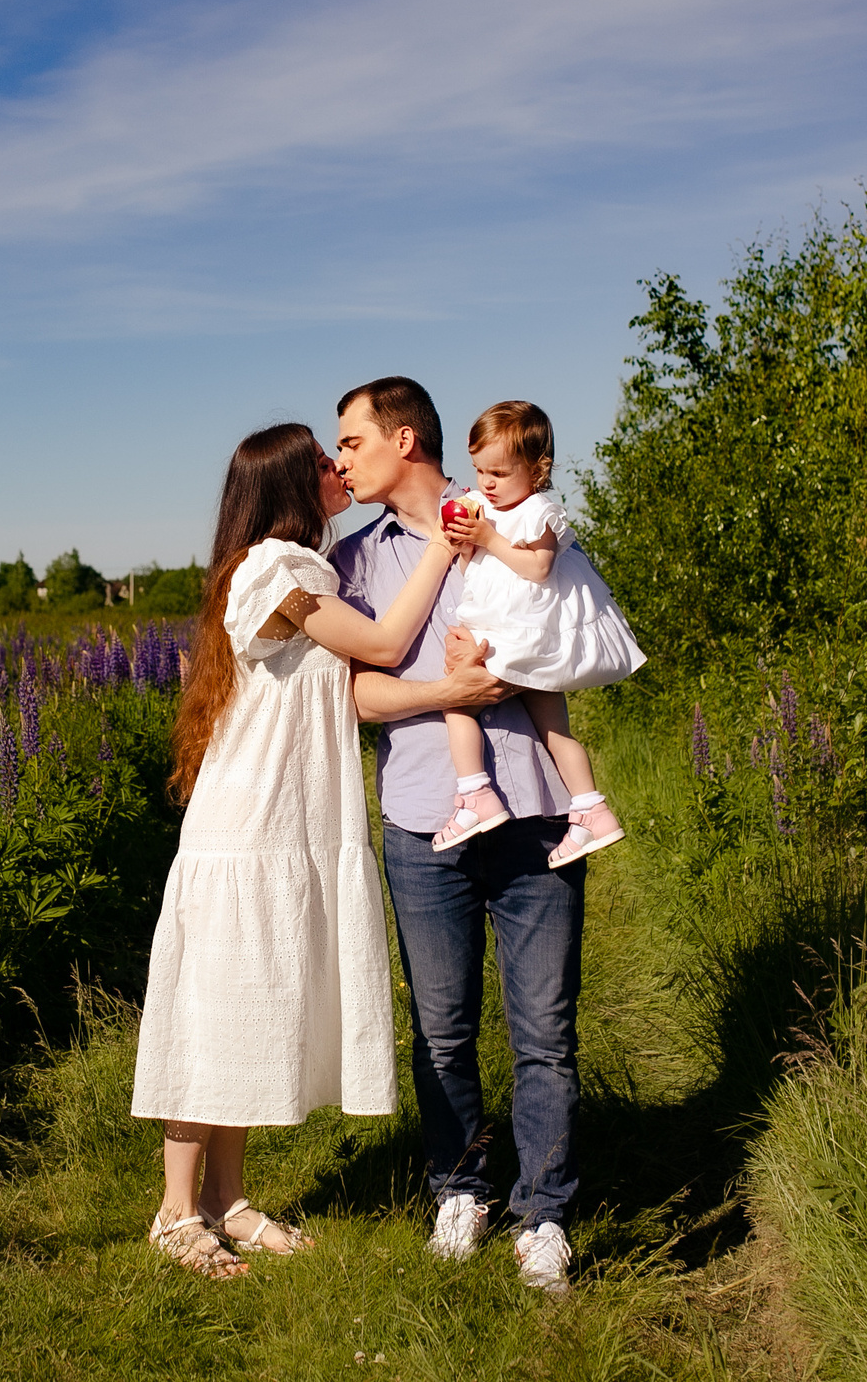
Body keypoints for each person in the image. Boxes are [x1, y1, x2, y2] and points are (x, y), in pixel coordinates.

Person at [130, 420, 456, 1279]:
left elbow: (347, 694)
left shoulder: (305, 568)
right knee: (213, 1013)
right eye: (321, 459)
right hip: (247, 829)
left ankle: (228, 1201)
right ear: (287, 484)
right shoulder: (273, 571)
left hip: (286, 825)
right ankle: (174, 1211)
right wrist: (446, 548)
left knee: (248, 1011)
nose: (337, 465)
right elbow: (382, 647)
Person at [330, 376, 587, 1295]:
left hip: (534, 807)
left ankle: (545, 1212)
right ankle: (462, 1188)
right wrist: (450, 694)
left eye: (351, 441)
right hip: (420, 816)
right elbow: (357, 694)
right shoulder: (355, 560)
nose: (340, 459)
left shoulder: (512, 512)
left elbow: (571, 631)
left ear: (404, 438)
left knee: (544, 1032)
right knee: (442, 1031)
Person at [433, 399, 646, 866]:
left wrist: (489, 538)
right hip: (514, 629)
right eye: (479, 470)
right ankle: (592, 809)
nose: (487, 483)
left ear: (537, 469)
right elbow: (480, 572)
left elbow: (538, 568)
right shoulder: (488, 508)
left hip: (520, 632)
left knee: (455, 699)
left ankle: (475, 796)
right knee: (554, 728)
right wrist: (468, 546)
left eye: (500, 473)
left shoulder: (538, 510)